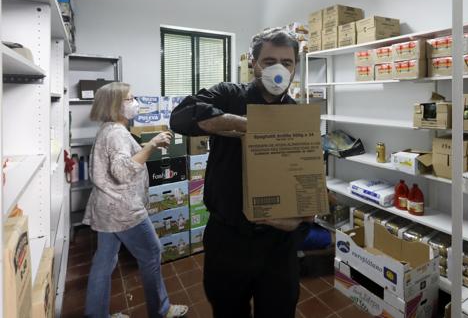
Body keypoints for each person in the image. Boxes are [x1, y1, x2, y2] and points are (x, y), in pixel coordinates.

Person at [170, 29, 312, 318]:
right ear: (253, 64)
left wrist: (299, 222)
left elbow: (303, 179)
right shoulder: (228, 95)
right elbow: (181, 116)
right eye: (269, 60)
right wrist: (245, 125)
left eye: (287, 62)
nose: (279, 69)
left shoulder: (297, 114)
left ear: (295, 67)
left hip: (279, 246)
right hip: (228, 240)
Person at [83, 82, 188, 318]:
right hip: (123, 208)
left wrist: (140, 148)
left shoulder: (109, 129)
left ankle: (96, 315)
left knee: (104, 262)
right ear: (115, 105)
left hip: (106, 207)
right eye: (129, 99)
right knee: (151, 252)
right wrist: (151, 145)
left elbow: (120, 161)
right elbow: (121, 172)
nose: (135, 103)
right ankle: (161, 310)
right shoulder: (117, 133)